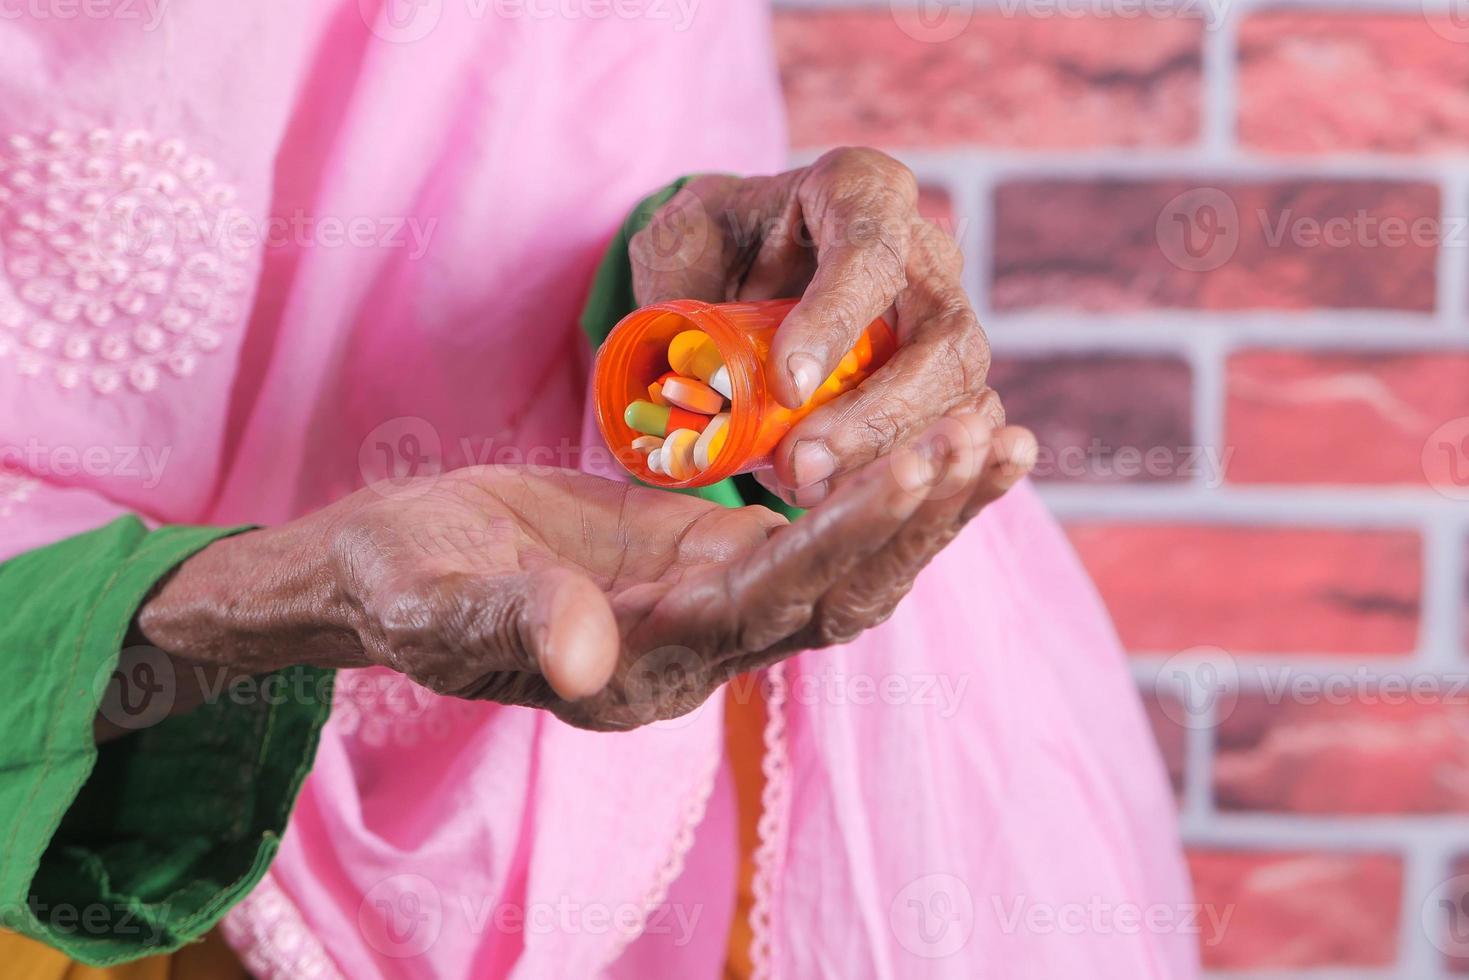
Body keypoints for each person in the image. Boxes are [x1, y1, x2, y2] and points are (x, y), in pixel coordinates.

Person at [0, 1, 1197, 977]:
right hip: (55, 801)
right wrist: (242, 597)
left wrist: (716, 279)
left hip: (653, 782)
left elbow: (560, 147)